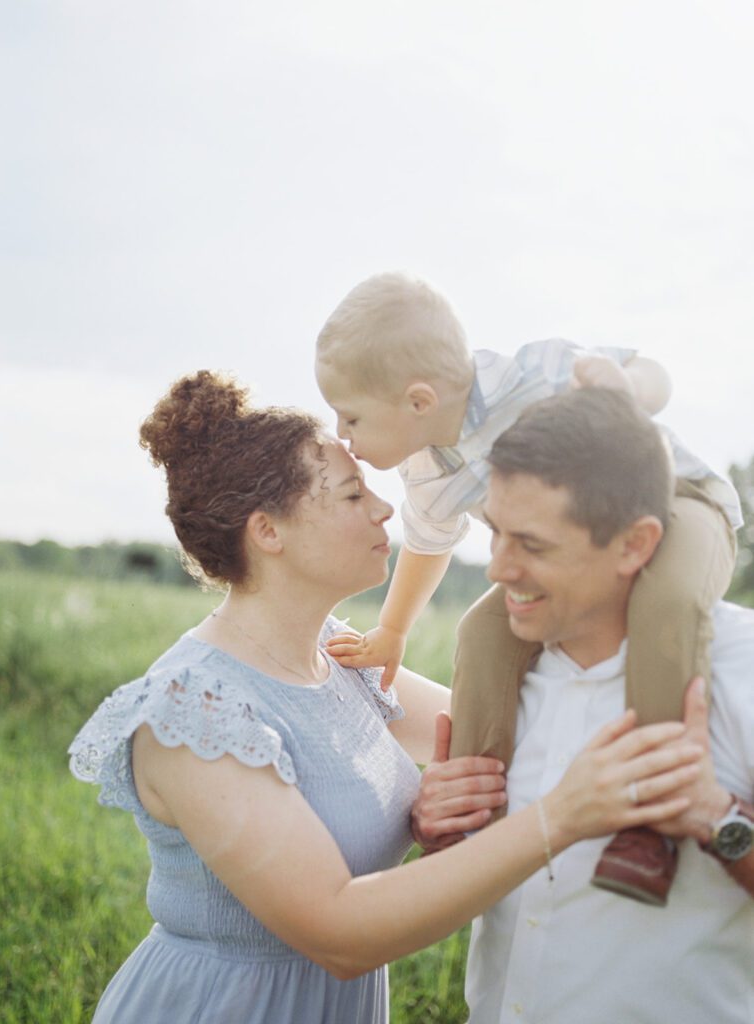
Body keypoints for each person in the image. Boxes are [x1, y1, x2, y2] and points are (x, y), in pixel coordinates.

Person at [69, 372, 702, 1024]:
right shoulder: (196, 709)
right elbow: (339, 933)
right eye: (351, 494)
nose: (383, 508)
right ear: (268, 532)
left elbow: (500, 730)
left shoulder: (341, 658)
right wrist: (559, 818)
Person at [315, 271, 740, 903]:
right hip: (566, 560)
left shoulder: (535, 375)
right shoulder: (428, 471)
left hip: (679, 506)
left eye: (351, 417)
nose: (343, 436)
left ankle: (650, 819)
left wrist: (626, 388)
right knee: (481, 633)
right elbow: (430, 542)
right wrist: (394, 629)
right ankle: (473, 815)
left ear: (419, 400)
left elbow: (653, 373)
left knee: (667, 605)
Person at [413, 388, 754, 1024]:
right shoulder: (499, 679)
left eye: (533, 546)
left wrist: (716, 818)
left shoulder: (744, 669)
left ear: (634, 544)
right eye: (495, 534)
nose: (497, 569)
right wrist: (445, 830)